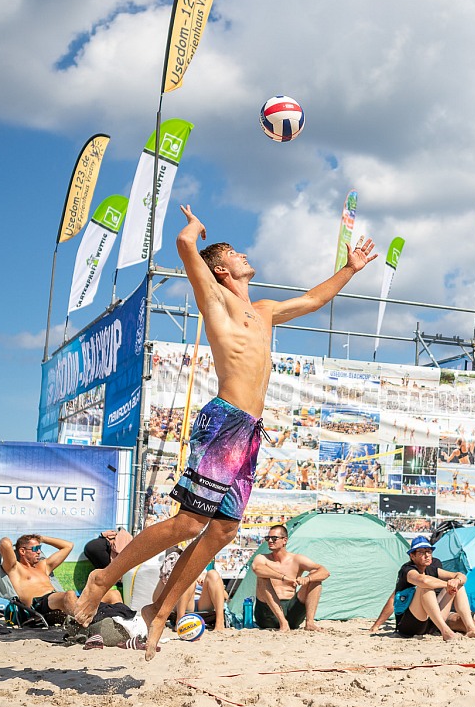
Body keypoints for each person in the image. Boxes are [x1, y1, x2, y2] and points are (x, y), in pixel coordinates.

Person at [74, 205, 378, 659]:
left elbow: (314, 300)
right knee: (189, 522)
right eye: (234, 252)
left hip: (250, 431)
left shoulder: (265, 311)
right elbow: (184, 245)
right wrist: (194, 229)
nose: (243, 254)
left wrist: (350, 269)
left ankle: (158, 612)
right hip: (224, 422)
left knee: (223, 531)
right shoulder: (215, 299)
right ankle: (103, 579)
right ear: (221, 269)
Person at [392, 536, 475, 640]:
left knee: (458, 585)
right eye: (422, 552)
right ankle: (446, 631)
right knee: (425, 587)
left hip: (431, 623)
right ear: (412, 556)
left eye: (429, 551)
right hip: (410, 625)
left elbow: (461, 576)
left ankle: (471, 629)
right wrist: (447, 584)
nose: (427, 555)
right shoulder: (407, 570)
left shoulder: (431, 569)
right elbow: (423, 581)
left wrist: (456, 581)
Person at [0, 534, 104, 619]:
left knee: (110, 595)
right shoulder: (15, 568)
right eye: (35, 548)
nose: (39, 552)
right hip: (37, 605)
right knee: (69, 595)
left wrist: (41, 538)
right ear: (22, 551)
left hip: (55, 600)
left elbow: (68, 546)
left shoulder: (43, 566)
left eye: (40, 548)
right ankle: (84, 625)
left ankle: (112, 622)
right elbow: (5, 543)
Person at [251, 524, 329, 632]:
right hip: (267, 614)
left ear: (285, 540)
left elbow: (324, 571)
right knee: (263, 577)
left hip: (291, 612)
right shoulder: (262, 558)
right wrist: (283, 577)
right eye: (268, 538)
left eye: (274, 538)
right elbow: (257, 569)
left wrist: (308, 579)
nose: (270, 541)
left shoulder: (296, 559)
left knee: (316, 579)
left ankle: (310, 623)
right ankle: (283, 622)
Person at [154, 545, 229, 630]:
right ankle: (180, 622)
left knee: (213, 574)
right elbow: (155, 598)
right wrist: (164, 578)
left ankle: (220, 622)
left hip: (203, 603)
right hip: (184, 605)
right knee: (189, 577)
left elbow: (226, 597)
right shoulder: (175, 570)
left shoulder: (205, 573)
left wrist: (205, 584)